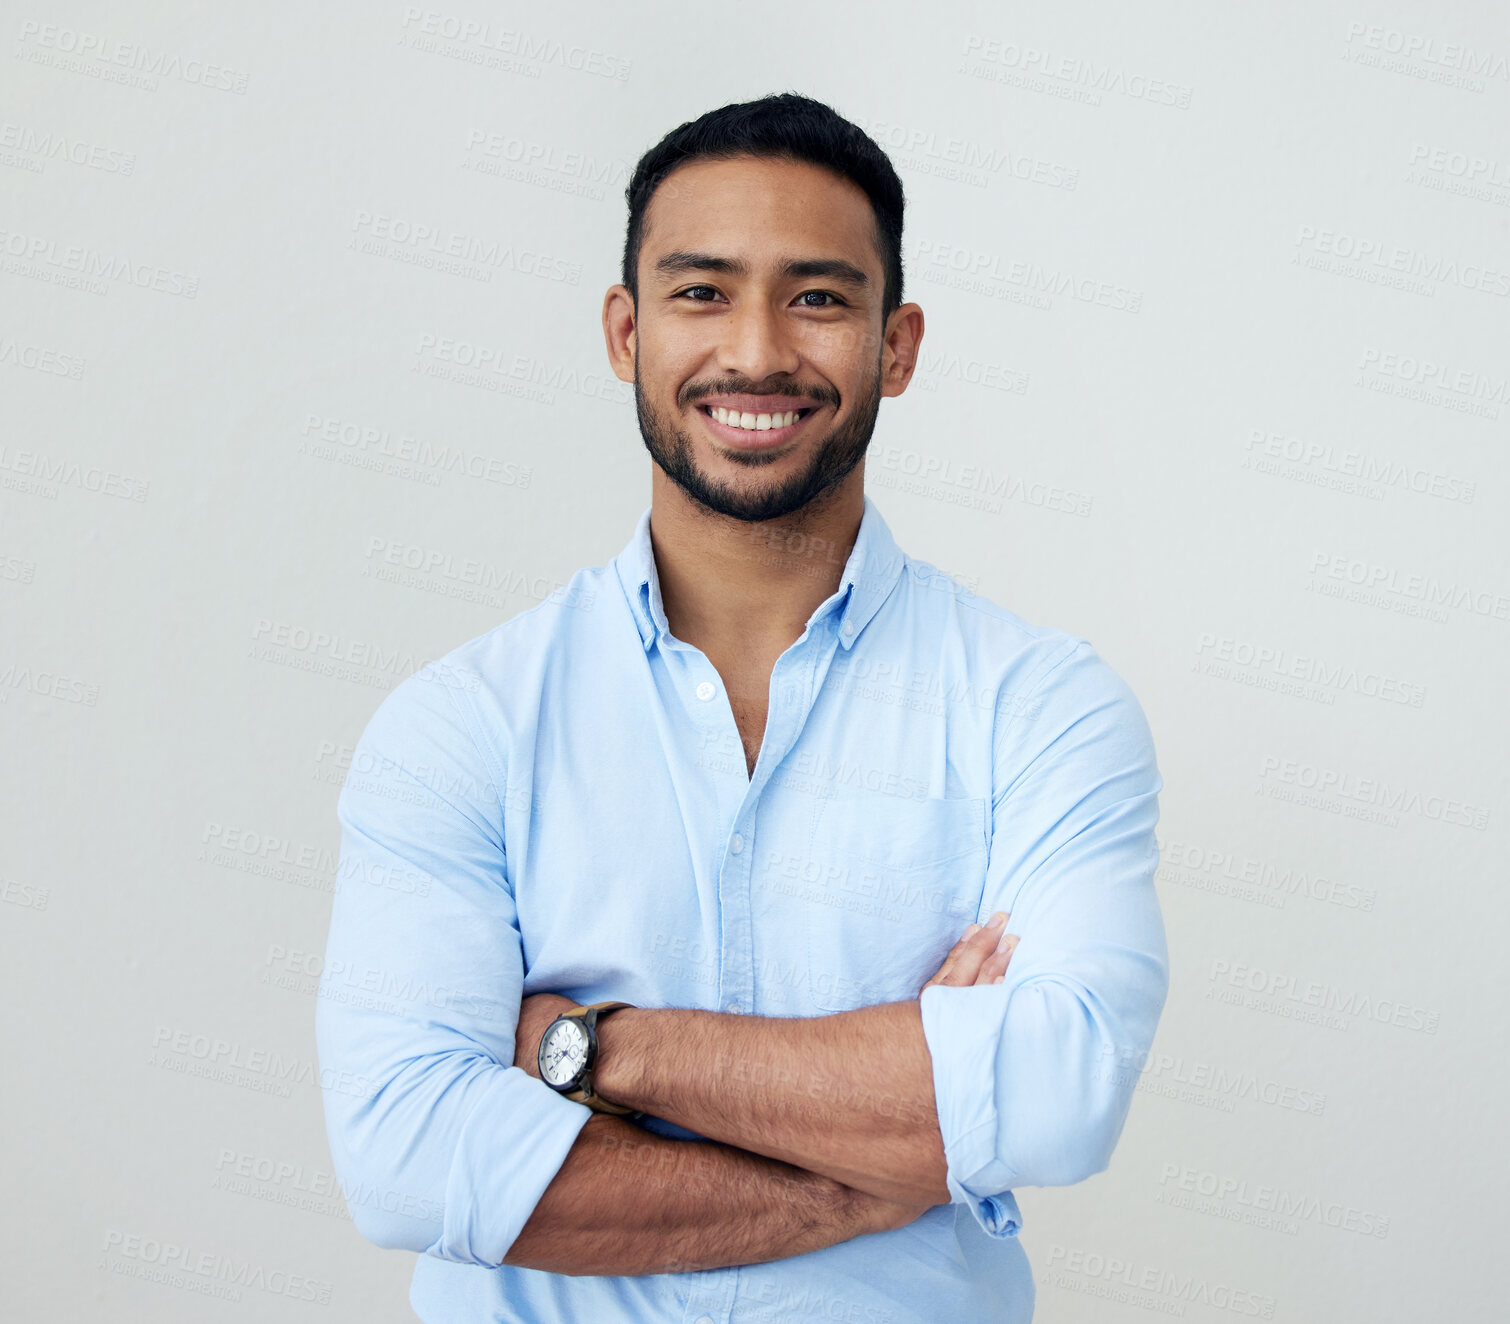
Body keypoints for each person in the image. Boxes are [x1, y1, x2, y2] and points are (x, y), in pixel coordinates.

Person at [316, 91, 1168, 1324]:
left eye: (817, 296)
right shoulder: (462, 724)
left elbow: (1057, 1095)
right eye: (701, 291)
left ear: (898, 344)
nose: (757, 351)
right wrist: (877, 1171)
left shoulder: (1039, 707)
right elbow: (407, 1158)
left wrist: (593, 1050)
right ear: (625, 332)